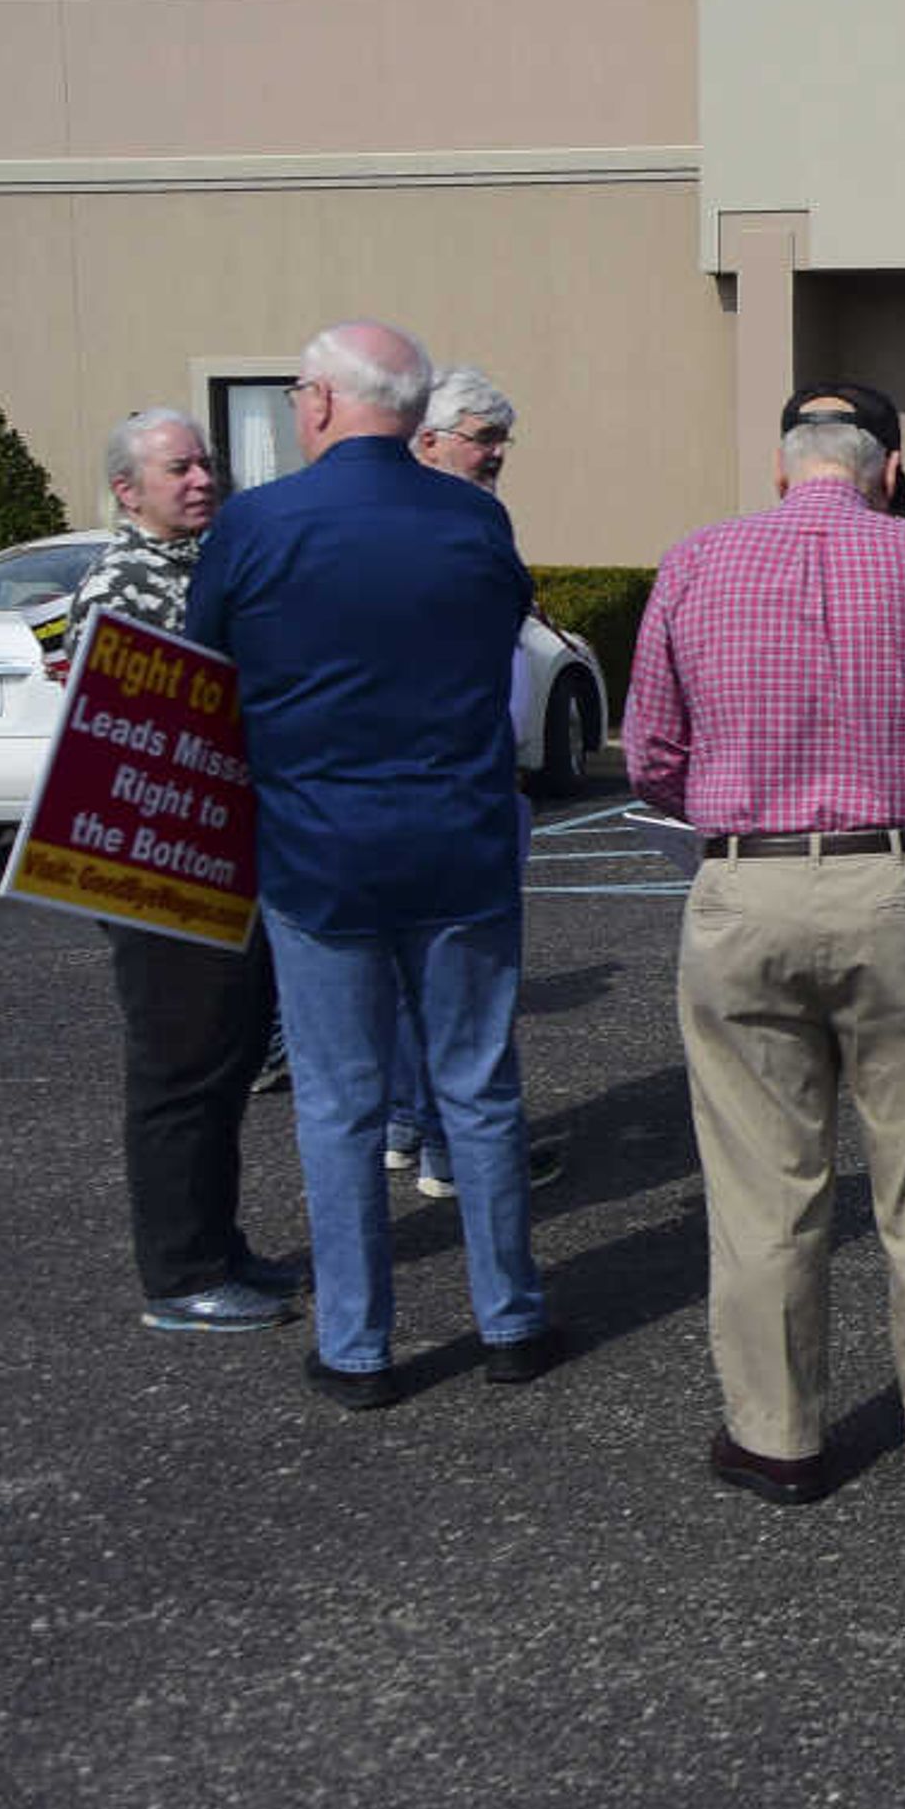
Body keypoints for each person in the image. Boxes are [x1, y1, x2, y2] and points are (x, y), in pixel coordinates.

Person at [623, 385, 905, 1505]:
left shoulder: (695, 563)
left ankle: (777, 1436)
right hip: (894, 872)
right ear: (887, 473)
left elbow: (651, 753)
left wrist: (733, 802)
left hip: (743, 882)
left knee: (763, 1181)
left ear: (778, 468)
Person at [186, 322, 553, 1407]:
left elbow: (205, 672)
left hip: (316, 850)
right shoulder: (475, 521)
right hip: (459, 840)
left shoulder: (254, 525)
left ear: (326, 403)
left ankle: (358, 1347)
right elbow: (499, 648)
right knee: (479, 1090)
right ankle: (512, 1320)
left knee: (341, 1106)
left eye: (299, 390)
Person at [70, 408, 303, 1334]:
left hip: (219, 850)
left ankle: (219, 1244)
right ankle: (180, 1274)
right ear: (128, 491)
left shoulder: (203, 565)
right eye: (178, 469)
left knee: (225, 1057)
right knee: (179, 1068)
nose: (202, 478)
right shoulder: (124, 584)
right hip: (157, 863)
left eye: (206, 462)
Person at [388, 363, 565, 1201]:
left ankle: (409, 1120)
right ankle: (451, 1144)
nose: (497, 453)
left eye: (502, 439)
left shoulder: (448, 513)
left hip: (461, 767)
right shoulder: (452, 521)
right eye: (483, 438)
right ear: (427, 439)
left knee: (414, 967)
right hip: (455, 776)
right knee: (461, 972)